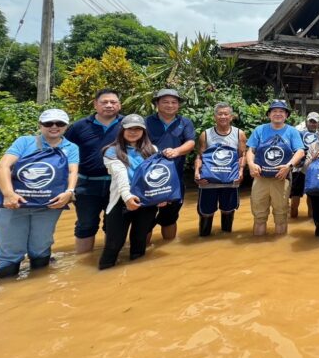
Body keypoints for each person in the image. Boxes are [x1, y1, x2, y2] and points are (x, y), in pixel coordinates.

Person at [0, 109, 79, 278]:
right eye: (48, 123)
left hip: (48, 206)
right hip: (14, 205)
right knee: (10, 253)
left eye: (59, 123)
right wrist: (9, 194)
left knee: (41, 249)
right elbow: (2, 167)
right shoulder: (24, 142)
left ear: (66, 127)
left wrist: (69, 192)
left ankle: (39, 292)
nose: (54, 127)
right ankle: (8, 294)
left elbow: (72, 172)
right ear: (40, 125)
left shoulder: (71, 147)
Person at [98, 115, 162, 269]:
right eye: (129, 128)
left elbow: (157, 174)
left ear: (143, 131)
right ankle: (104, 274)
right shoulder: (111, 151)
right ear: (122, 130)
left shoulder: (153, 150)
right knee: (114, 243)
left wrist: (161, 196)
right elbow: (120, 175)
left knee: (140, 241)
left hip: (146, 201)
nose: (133, 132)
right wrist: (127, 197)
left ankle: (136, 277)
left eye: (138, 129)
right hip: (121, 200)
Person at [65, 89, 123, 253]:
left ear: (119, 105)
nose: (109, 105)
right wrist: (67, 187)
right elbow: (65, 154)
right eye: (104, 102)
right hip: (87, 184)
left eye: (113, 102)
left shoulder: (127, 125)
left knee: (113, 224)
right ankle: (82, 263)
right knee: (86, 224)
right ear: (95, 104)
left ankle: (109, 261)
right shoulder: (78, 127)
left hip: (117, 184)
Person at [246, 100, 305, 235]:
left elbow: (300, 151)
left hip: (281, 178)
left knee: (281, 216)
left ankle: (279, 250)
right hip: (260, 178)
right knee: (259, 216)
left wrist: (288, 166)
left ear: (286, 115)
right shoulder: (259, 130)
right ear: (269, 114)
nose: (278, 114)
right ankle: (259, 247)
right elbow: (250, 150)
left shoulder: (292, 131)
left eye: (281, 111)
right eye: (274, 111)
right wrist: (251, 164)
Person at [145, 89, 196, 242]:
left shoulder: (185, 122)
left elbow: (191, 142)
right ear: (157, 104)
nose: (170, 105)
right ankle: (141, 251)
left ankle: (169, 249)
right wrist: (154, 153)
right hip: (148, 178)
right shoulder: (146, 122)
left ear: (178, 105)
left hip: (175, 178)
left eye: (174, 102)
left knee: (170, 217)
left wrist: (177, 151)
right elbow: (137, 143)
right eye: (165, 102)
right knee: (145, 219)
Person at [194, 102, 246, 236]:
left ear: (231, 116)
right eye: (220, 114)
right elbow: (200, 156)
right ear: (214, 116)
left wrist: (240, 172)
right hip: (208, 182)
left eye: (226, 114)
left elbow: (242, 156)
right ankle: (204, 242)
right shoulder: (205, 135)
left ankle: (226, 241)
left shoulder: (239, 134)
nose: (223, 116)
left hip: (230, 182)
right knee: (206, 213)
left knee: (228, 211)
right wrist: (196, 174)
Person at [290, 111, 319, 219]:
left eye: (315, 122)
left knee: (312, 196)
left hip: (313, 170)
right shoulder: (298, 133)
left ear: (318, 123)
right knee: (295, 197)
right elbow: (293, 149)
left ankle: (311, 221)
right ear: (306, 122)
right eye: (310, 121)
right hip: (298, 169)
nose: (312, 124)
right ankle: (293, 218)